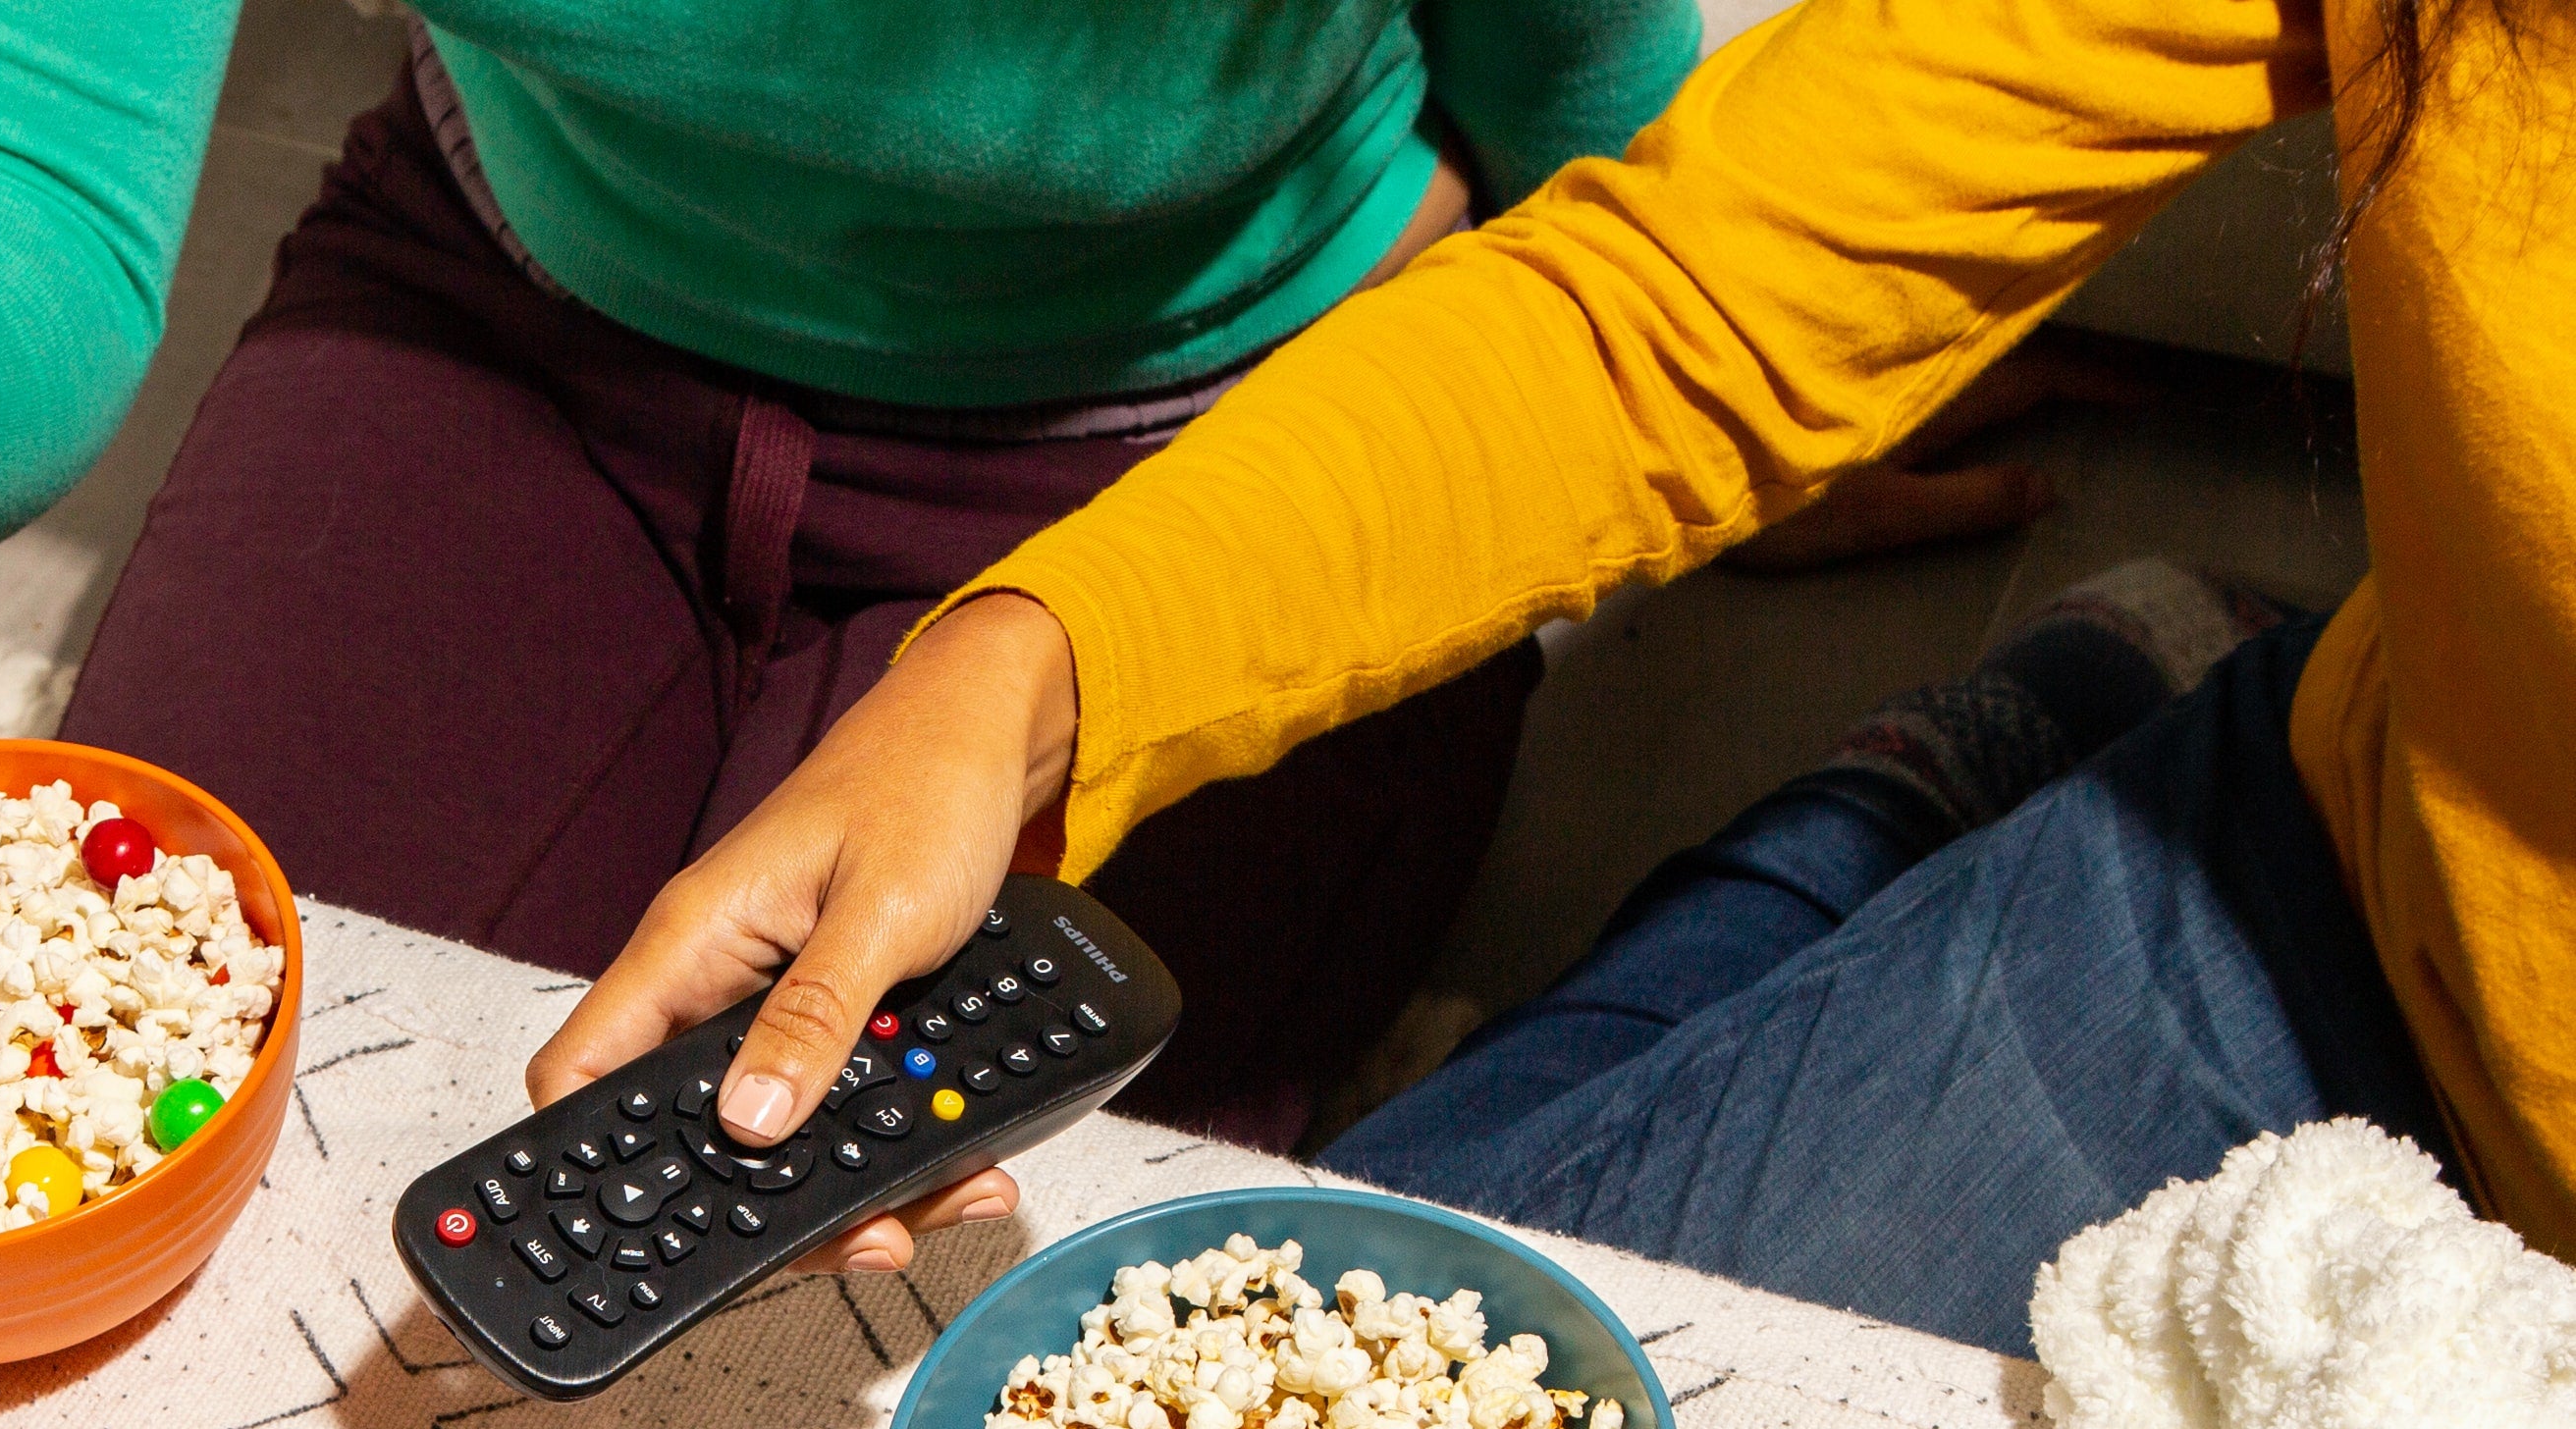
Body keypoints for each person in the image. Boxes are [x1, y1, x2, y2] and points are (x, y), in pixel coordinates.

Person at [548, 0, 2569, 1340]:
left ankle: (1954, 794)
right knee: (1276, 1408)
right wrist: (1028, 666)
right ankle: (1981, 779)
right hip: (2361, 902)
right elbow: (1690, 295)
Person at [0, 0, 1739, 1158]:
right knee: (142, 1078)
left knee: (896, 1274)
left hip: (1201, 423)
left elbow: (1578, 81)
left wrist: (1680, 382)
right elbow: (33, 157)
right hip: (508, 309)